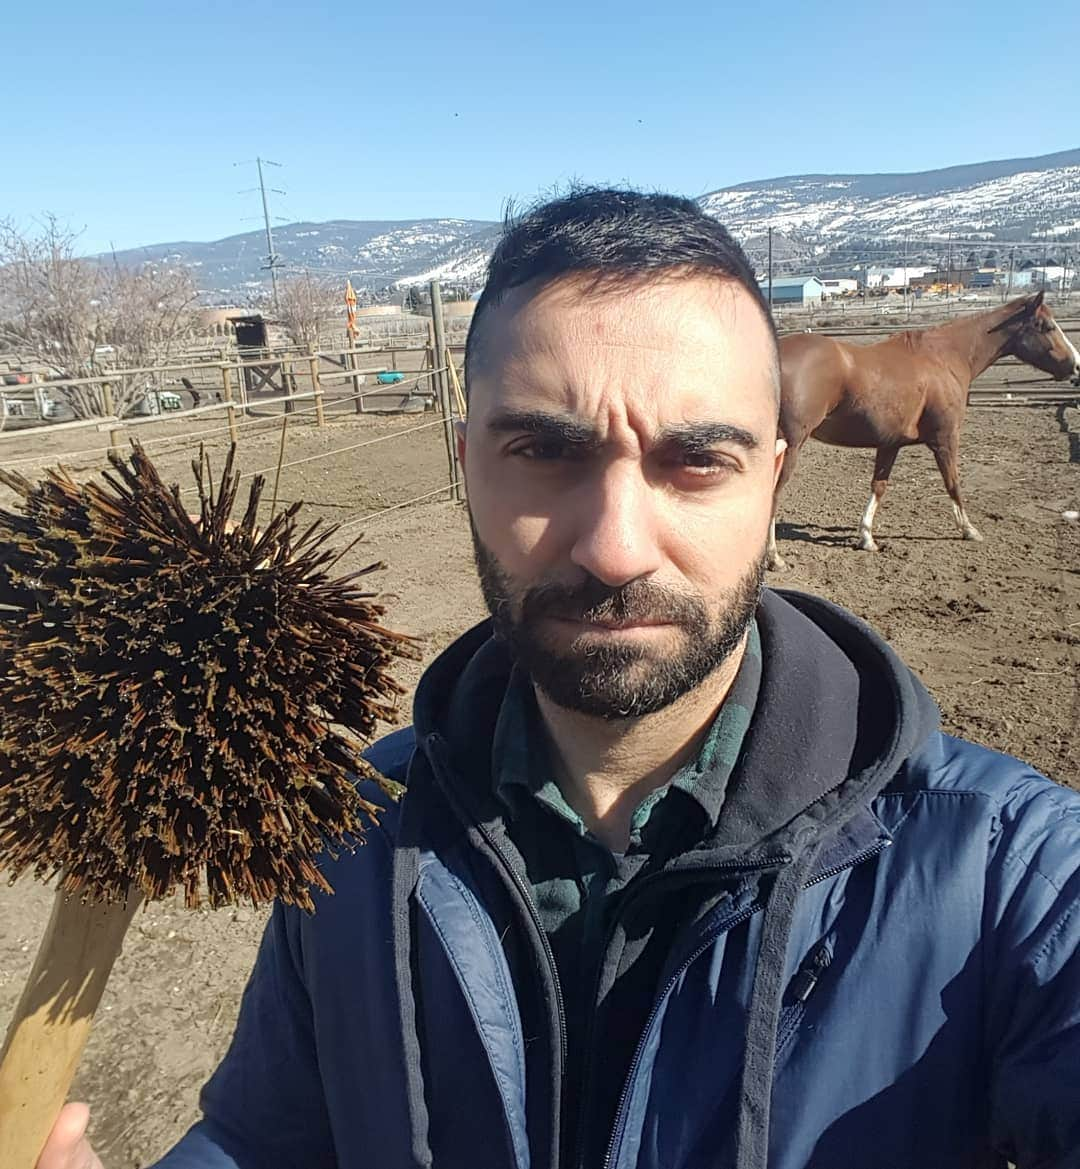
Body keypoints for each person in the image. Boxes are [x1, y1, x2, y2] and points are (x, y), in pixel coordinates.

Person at [40, 189, 1080, 1169]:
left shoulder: (1009, 874)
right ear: (468, 467)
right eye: (544, 448)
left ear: (772, 480)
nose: (617, 547)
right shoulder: (351, 838)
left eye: (696, 461)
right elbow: (268, 1140)